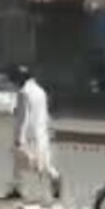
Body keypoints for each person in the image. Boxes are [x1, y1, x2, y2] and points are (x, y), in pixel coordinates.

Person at [7, 65, 62, 201]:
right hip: (40, 131)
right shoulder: (40, 91)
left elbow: (23, 116)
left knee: (23, 161)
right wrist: (49, 129)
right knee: (40, 160)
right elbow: (45, 113)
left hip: (28, 133)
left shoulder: (23, 93)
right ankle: (53, 177)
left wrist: (19, 137)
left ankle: (18, 188)